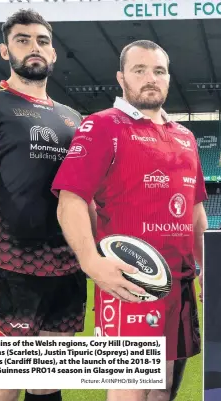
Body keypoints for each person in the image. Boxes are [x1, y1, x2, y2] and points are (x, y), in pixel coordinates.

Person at [52, 40, 208, 401]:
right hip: (129, 284)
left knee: (165, 387)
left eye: (158, 71)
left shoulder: (186, 137)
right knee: (130, 392)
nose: (150, 78)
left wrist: (208, 268)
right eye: (139, 70)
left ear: (168, 78)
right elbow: (70, 201)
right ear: (121, 78)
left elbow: (196, 211)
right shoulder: (102, 126)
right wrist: (91, 262)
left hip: (181, 286)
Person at [0, 9, 90, 401]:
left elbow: (83, 196)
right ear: (4, 50)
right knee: (4, 385)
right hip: (9, 268)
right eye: (23, 39)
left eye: (42, 41)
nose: (35, 48)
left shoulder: (74, 119)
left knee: (47, 382)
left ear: (54, 53)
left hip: (65, 268)